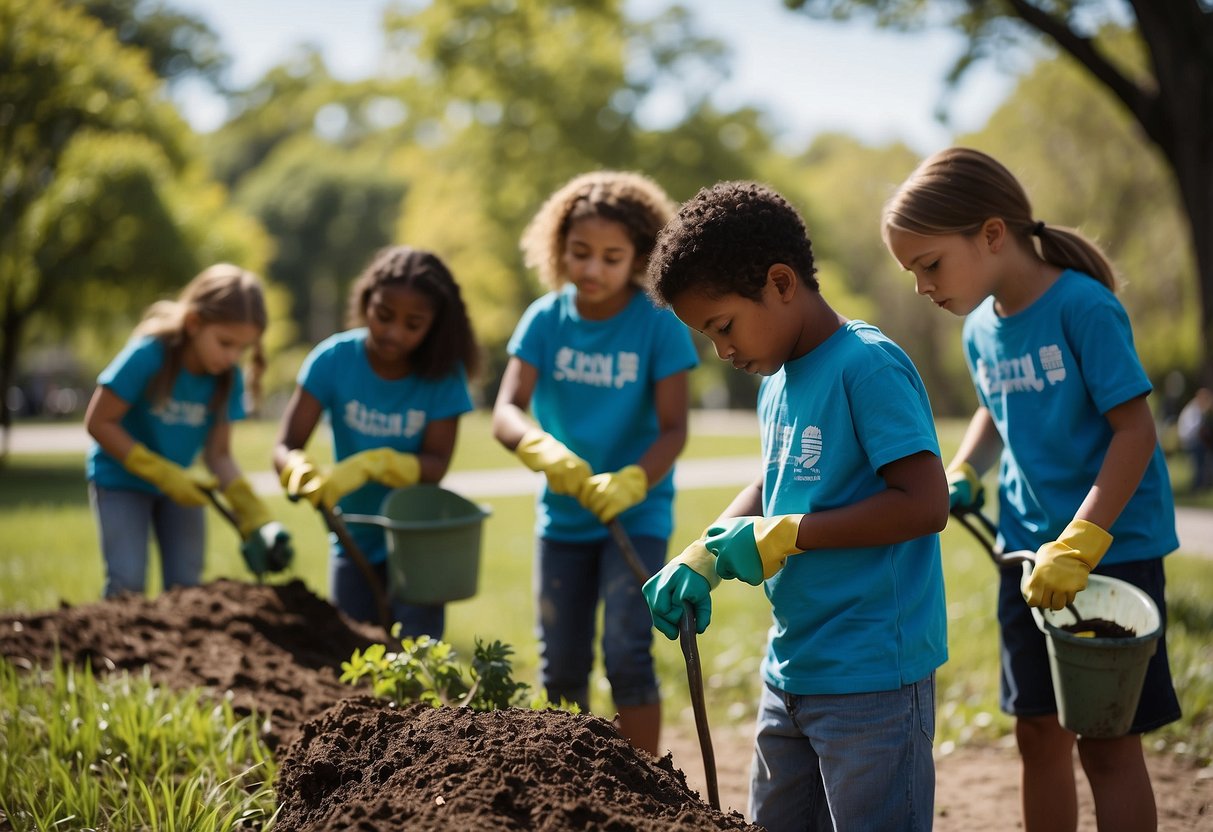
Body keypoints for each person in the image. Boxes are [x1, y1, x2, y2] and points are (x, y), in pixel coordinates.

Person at [883, 147, 1181, 832]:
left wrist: (1082, 542)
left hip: (1111, 553)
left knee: (1107, 744)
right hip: (1024, 557)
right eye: (912, 273)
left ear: (991, 234)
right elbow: (996, 408)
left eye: (929, 264)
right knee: (1037, 735)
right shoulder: (980, 329)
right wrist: (963, 469)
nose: (922, 285)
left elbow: (1134, 431)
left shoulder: (1083, 307)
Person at [643, 181, 949, 832]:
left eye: (722, 326)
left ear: (781, 282)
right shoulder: (776, 382)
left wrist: (789, 535)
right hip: (792, 669)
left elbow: (923, 504)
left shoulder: (866, 365)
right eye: (706, 337)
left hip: (872, 677)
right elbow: (774, 480)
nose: (721, 352)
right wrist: (707, 549)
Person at [491, 170, 699, 756]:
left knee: (629, 650)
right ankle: (570, 783)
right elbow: (506, 409)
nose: (592, 269)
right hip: (563, 515)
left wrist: (633, 480)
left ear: (639, 256)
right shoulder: (545, 319)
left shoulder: (657, 323)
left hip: (637, 514)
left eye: (611, 257)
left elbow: (675, 428)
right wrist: (540, 448)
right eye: (580, 253)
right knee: (561, 661)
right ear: (558, 249)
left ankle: (649, 788)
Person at [273, 246, 478, 639]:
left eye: (413, 324)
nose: (393, 332)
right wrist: (298, 470)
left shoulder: (442, 376)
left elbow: (435, 466)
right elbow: (285, 446)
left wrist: (379, 464)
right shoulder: (333, 361)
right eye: (383, 316)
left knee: (417, 662)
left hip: (417, 544)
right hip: (352, 537)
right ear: (367, 300)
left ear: (434, 326)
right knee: (353, 656)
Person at [85, 264, 292, 598]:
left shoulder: (227, 379)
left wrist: (253, 512)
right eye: (225, 343)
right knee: (128, 583)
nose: (232, 356)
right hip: (121, 481)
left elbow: (219, 455)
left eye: (242, 348)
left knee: (186, 588)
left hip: (181, 487)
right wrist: (158, 472)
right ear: (195, 323)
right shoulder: (148, 356)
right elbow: (98, 422)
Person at [1177, 387, 1213, 492]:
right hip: (1191, 441)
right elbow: (1196, 429)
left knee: (1201, 463)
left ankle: (1200, 485)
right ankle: (1198, 486)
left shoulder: (1194, 408)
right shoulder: (1194, 409)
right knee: (1200, 464)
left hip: (1191, 440)